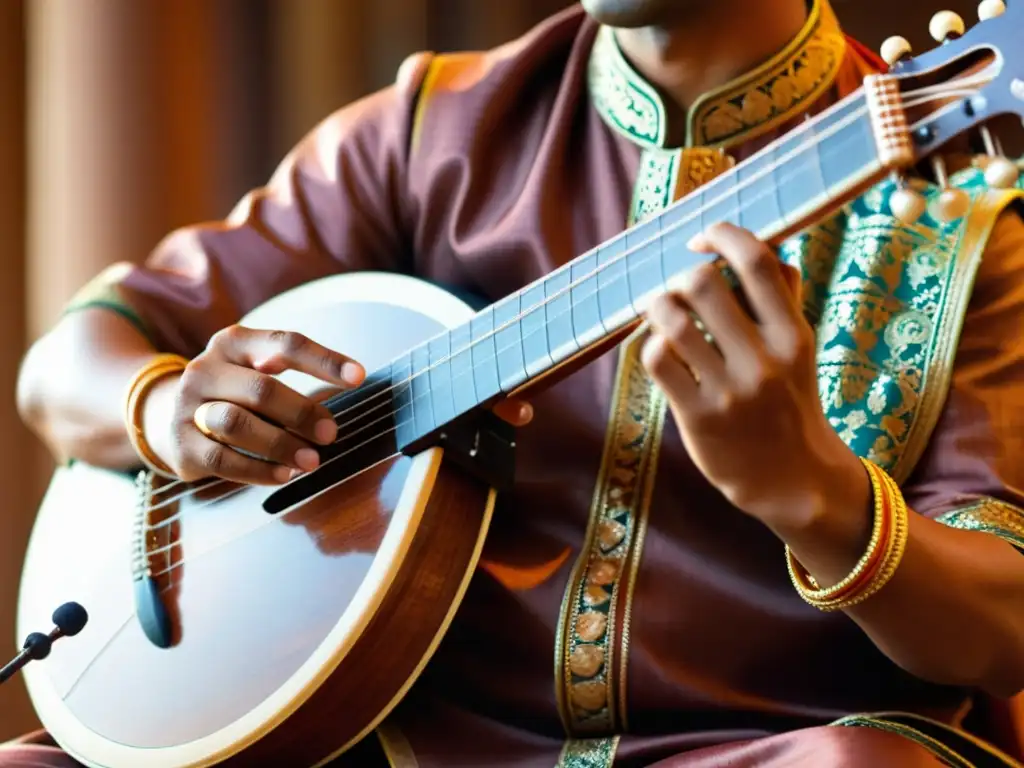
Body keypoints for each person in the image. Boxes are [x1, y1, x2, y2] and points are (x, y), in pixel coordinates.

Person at [6, 0, 1024, 765]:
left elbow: (1004, 626)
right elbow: (66, 369)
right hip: (405, 741)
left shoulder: (966, 222)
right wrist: (166, 408)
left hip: (760, 747)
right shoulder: (433, 129)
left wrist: (813, 495)